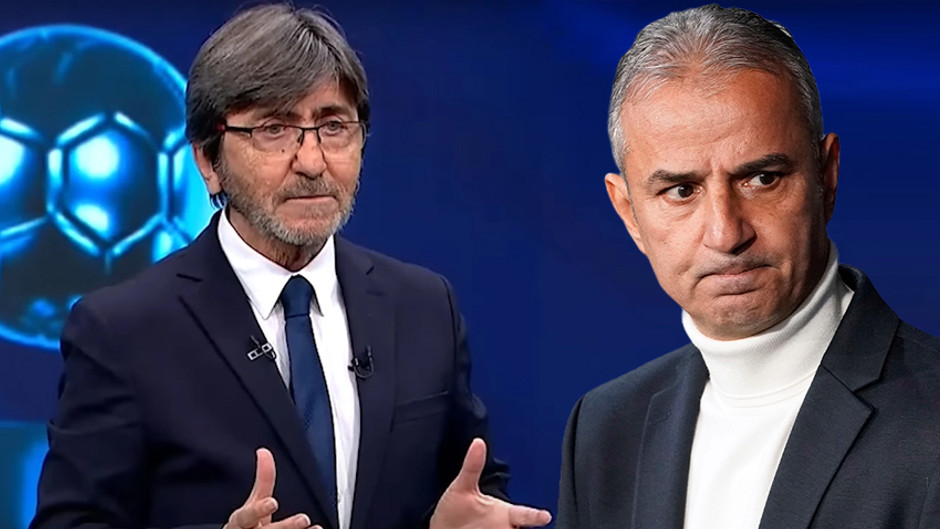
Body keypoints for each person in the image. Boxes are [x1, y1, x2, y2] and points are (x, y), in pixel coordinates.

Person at [30, 4, 552, 529]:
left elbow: (473, 490)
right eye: (275, 129)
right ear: (208, 161)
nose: (311, 161)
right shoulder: (123, 331)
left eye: (333, 126)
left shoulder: (423, 306)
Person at [556, 4, 940, 529]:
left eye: (762, 179)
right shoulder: (604, 429)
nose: (726, 233)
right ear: (629, 214)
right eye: (681, 190)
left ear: (826, 177)